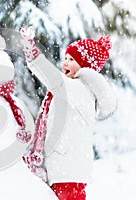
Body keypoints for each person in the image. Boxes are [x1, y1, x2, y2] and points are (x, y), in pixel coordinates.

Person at [20, 27, 117, 200]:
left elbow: (51, 76)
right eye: (65, 58)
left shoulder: (79, 89)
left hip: (67, 170)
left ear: (85, 66)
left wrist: (31, 50)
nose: (65, 63)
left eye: (72, 59)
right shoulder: (73, 90)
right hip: (65, 169)